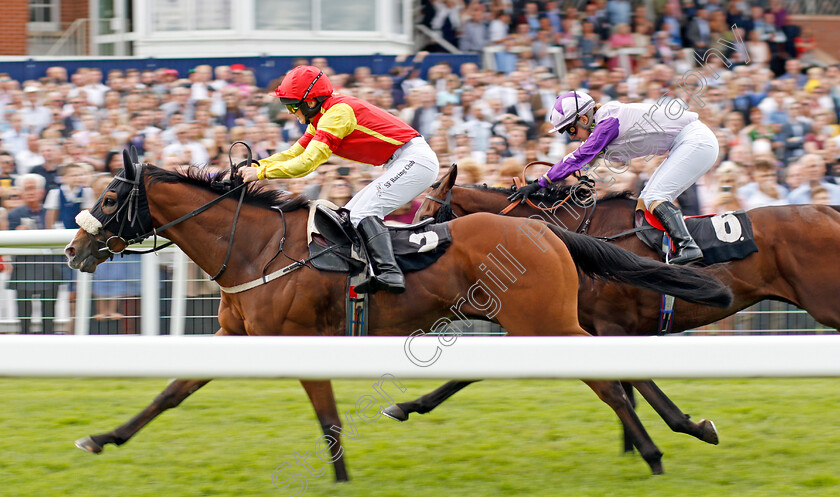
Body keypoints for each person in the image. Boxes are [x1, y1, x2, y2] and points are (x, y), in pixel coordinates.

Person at [238, 65, 439, 294]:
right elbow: (294, 153)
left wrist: (261, 174)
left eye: (293, 106)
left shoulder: (337, 113)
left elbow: (306, 164)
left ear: (311, 101)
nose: (291, 113)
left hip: (415, 160)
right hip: (402, 160)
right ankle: (372, 270)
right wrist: (259, 165)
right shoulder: (322, 117)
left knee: (362, 214)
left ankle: (390, 273)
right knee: (349, 217)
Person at [509, 91, 719, 265]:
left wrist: (539, 183)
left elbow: (580, 156)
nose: (571, 136)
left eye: (570, 129)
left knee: (655, 195)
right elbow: (582, 159)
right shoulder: (602, 124)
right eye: (566, 132)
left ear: (584, 119)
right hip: (687, 143)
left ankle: (687, 247)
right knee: (645, 199)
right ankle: (666, 249)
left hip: (695, 141)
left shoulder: (608, 121)